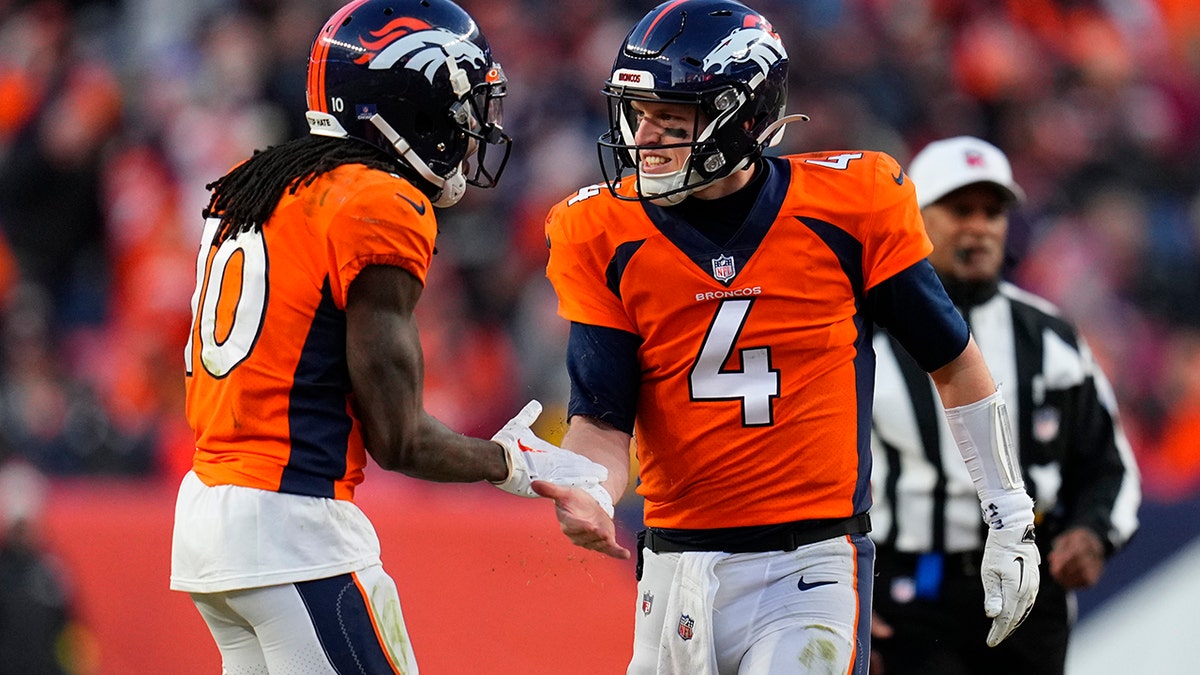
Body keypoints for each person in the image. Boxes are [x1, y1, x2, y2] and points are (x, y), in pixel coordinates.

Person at [534, 2, 1040, 673]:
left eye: (672, 118)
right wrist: (587, 486)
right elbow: (601, 419)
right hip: (674, 569)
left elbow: (953, 363)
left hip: (812, 564)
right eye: (638, 112)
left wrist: (1008, 512)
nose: (645, 136)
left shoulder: (849, 205)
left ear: (742, 116)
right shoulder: (602, 231)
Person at [169, 1, 611, 673]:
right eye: (459, 110)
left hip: (209, 517)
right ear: (408, 102)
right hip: (294, 525)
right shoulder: (377, 201)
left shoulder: (255, 182)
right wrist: (515, 463)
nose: (469, 133)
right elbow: (398, 436)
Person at [868, 136, 1142, 675]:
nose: (979, 226)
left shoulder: (1051, 338)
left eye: (992, 211)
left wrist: (1091, 534)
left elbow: (1110, 466)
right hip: (912, 590)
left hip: (1031, 585)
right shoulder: (865, 337)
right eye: (959, 209)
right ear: (915, 218)